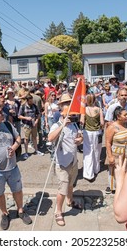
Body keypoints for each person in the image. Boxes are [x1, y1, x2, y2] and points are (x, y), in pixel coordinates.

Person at [48, 94, 83, 227]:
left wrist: (80, 139)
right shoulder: (57, 124)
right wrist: (62, 125)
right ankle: (58, 211)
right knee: (62, 189)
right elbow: (50, 138)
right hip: (62, 163)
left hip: (73, 161)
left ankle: (70, 201)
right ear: (61, 107)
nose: (69, 105)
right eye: (66, 103)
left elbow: (80, 137)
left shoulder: (74, 124)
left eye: (70, 102)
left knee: (70, 185)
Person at [105, 105, 127, 194]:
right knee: (116, 172)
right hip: (117, 153)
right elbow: (107, 142)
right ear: (118, 116)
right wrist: (110, 156)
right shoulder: (112, 127)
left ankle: (126, 188)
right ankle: (115, 190)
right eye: (125, 115)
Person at [80, 94, 104, 182]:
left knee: (88, 152)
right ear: (94, 100)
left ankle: (88, 173)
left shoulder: (84, 109)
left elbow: (82, 122)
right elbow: (102, 123)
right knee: (97, 151)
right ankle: (96, 169)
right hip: (97, 132)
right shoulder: (99, 109)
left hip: (87, 132)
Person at [18, 94, 44, 158]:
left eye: (32, 101)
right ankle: (26, 152)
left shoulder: (34, 106)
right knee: (26, 139)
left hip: (33, 124)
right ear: (27, 101)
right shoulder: (23, 106)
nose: (31, 102)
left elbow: (38, 114)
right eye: (30, 101)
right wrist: (26, 118)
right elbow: (19, 116)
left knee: (34, 137)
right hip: (26, 125)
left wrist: (36, 121)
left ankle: (36, 150)